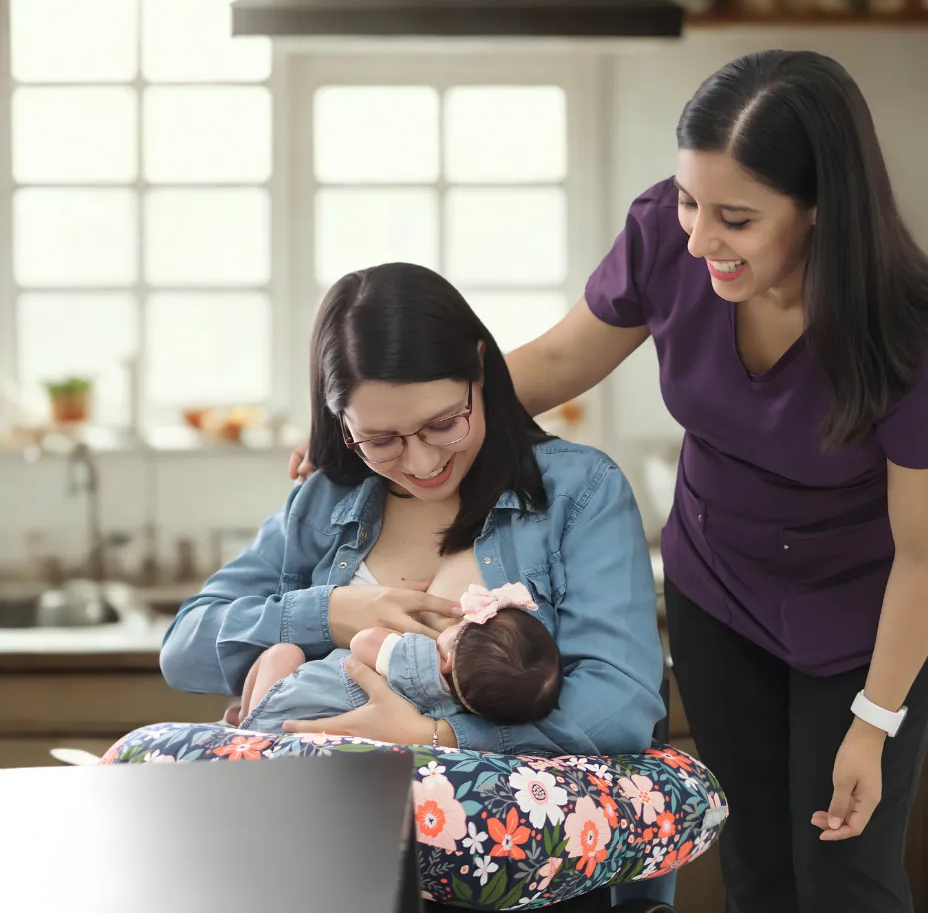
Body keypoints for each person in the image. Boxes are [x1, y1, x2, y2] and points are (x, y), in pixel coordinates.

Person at [291, 50, 928, 913]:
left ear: (821, 207)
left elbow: (927, 558)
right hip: (721, 592)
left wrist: (874, 723)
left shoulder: (919, 338)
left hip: (866, 615)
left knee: (845, 872)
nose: (698, 239)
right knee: (757, 864)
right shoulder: (668, 237)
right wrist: (392, 430)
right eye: (690, 201)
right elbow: (557, 361)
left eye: (735, 217)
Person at [161, 261, 664, 768]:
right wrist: (328, 614)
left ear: (479, 367)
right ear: (341, 422)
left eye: (443, 424)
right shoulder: (323, 501)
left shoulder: (578, 491)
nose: (422, 464)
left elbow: (620, 703)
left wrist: (437, 736)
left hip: (491, 815)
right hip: (317, 804)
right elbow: (184, 649)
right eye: (380, 439)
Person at [227, 582, 563, 734]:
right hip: (311, 723)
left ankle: (248, 719)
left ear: (448, 659)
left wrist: (402, 636)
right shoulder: (458, 707)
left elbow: (363, 641)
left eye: (462, 628)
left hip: (289, 706)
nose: (457, 622)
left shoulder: (419, 660)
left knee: (283, 653)